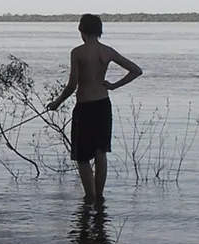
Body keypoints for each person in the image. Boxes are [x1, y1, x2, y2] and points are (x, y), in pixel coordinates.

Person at [47, 14, 143, 204]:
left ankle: (89, 197)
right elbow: (136, 70)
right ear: (99, 31)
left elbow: (72, 85)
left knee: (82, 156)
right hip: (103, 105)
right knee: (100, 152)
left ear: (82, 31)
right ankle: (99, 197)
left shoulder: (77, 53)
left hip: (84, 107)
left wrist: (56, 103)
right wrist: (114, 85)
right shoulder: (107, 51)